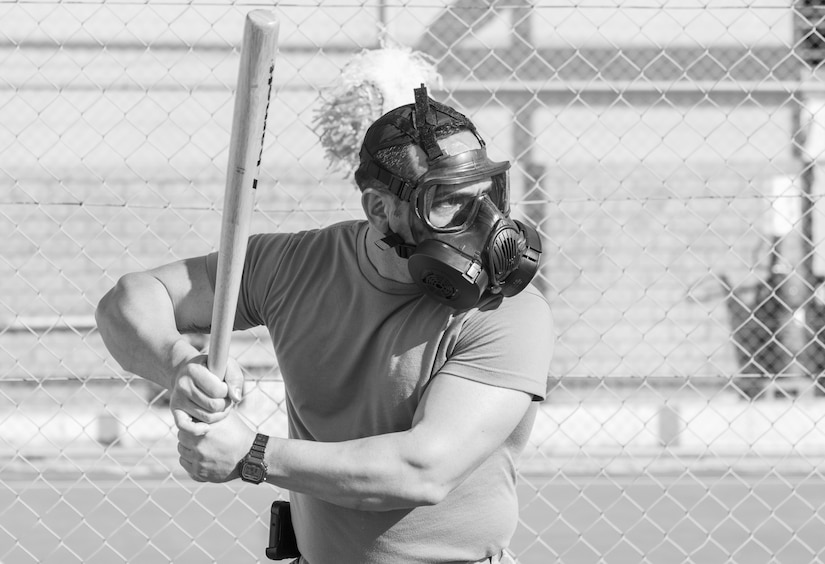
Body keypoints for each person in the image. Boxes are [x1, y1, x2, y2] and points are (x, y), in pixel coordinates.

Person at [95, 84, 554, 564]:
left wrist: (253, 454)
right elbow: (125, 302)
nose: (487, 223)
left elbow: (424, 470)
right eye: (450, 203)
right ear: (380, 210)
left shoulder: (507, 310)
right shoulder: (294, 265)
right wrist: (178, 364)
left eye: (489, 195)